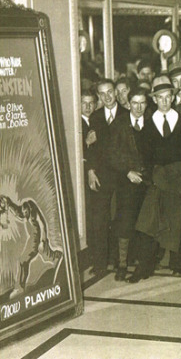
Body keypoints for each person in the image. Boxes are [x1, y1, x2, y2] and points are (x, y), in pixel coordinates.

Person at [128, 76, 181, 283]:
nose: (165, 101)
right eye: (160, 98)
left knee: (176, 222)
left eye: (168, 97)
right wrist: (154, 174)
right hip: (157, 180)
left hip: (176, 180)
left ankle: (177, 264)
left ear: (173, 98)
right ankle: (145, 266)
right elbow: (144, 156)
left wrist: (179, 172)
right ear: (154, 99)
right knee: (148, 223)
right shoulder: (149, 124)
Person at [85, 79, 129, 275]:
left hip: (122, 176)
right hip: (101, 175)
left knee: (121, 218)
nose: (107, 97)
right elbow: (92, 148)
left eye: (110, 92)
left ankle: (122, 262)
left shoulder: (127, 115)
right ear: (99, 97)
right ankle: (101, 263)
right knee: (100, 219)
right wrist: (91, 171)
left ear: (116, 93)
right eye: (102, 94)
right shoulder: (95, 117)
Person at [108, 88, 150, 281]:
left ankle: (143, 265)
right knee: (125, 223)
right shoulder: (120, 123)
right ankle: (123, 264)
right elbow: (112, 154)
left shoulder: (152, 122)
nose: (138, 107)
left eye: (142, 103)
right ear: (128, 103)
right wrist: (127, 172)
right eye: (135, 103)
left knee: (145, 224)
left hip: (148, 182)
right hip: (126, 182)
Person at [81, 89, 98, 263]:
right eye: (84, 103)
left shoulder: (96, 120)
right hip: (84, 175)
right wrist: (86, 143)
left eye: (90, 103)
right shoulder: (77, 123)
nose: (87, 106)